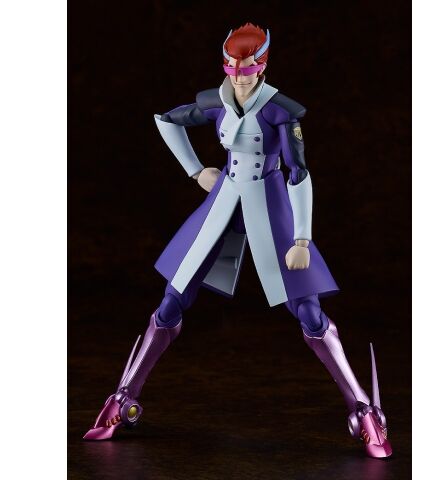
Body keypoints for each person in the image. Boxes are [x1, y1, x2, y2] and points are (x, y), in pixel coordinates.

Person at [84, 23, 392, 459]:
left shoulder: (280, 112)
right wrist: (196, 170)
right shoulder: (217, 102)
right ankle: (122, 398)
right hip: (224, 201)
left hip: (270, 204)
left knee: (308, 311)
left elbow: (299, 173)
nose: (239, 77)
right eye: (232, 68)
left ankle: (364, 410)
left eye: (247, 69)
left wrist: (302, 238)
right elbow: (167, 120)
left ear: (262, 67)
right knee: (173, 299)